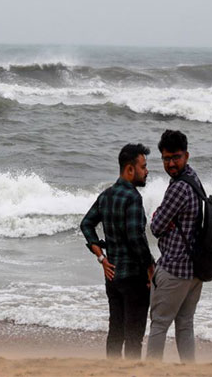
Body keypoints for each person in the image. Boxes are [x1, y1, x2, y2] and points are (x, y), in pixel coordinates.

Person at [80, 143, 155, 360]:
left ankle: (111, 371)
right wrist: (150, 266)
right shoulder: (133, 198)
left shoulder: (106, 196)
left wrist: (102, 258)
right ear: (130, 169)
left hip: (112, 276)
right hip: (134, 278)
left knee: (115, 333)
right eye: (143, 167)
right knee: (133, 338)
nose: (146, 171)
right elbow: (135, 238)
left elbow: (86, 224)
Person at [146, 130, 203, 363]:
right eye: (166, 158)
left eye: (175, 157)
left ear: (186, 156)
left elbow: (156, 226)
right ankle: (190, 370)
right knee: (185, 324)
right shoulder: (194, 178)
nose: (170, 163)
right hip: (195, 270)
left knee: (159, 324)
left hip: (175, 269)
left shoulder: (179, 187)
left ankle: (150, 370)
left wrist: (160, 215)